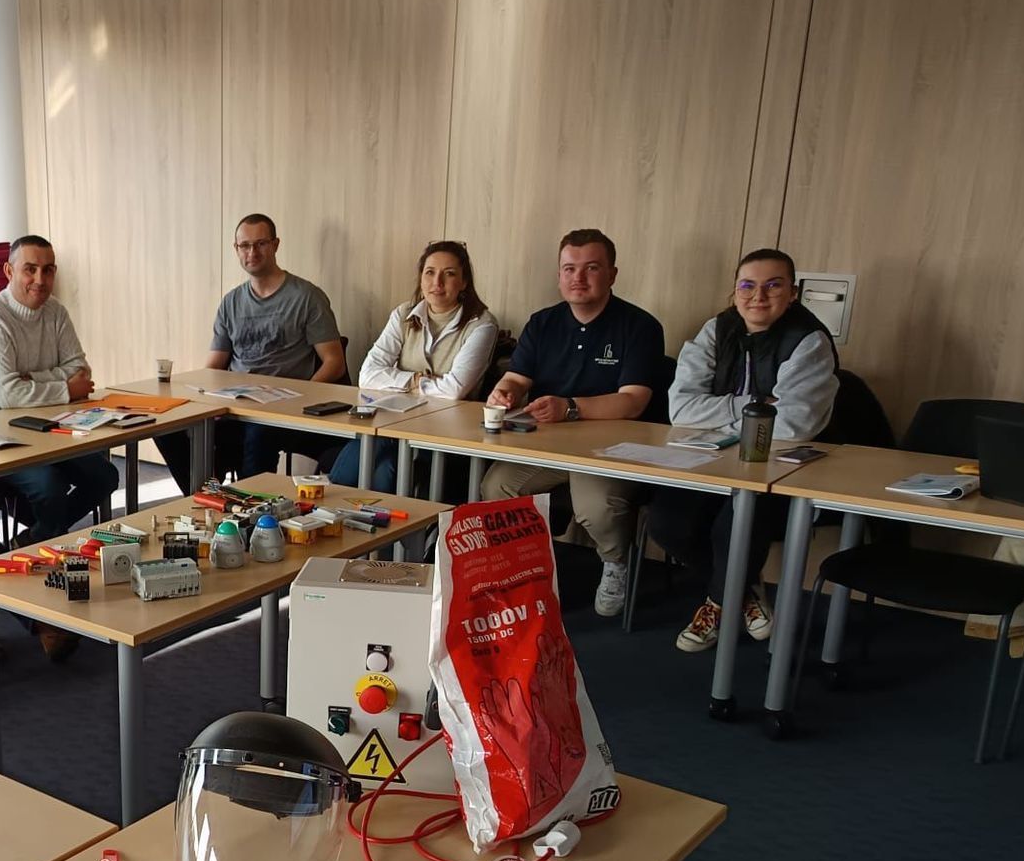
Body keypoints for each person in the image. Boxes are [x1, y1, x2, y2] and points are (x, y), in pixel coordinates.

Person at [649, 248, 839, 652]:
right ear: (734, 292)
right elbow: (679, 408)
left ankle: (719, 603)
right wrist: (756, 404)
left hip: (780, 466)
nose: (759, 296)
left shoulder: (809, 341)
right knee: (667, 522)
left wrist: (719, 414)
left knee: (734, 524)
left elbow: (794, 424)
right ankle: (745, 592)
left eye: (773, 285)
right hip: (710, 457)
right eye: (747, 285)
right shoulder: (716, 330)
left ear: (793, 293)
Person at [482, 229, 664, 616]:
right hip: (547, 442)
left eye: (591, 268)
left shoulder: (640, 326)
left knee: (595, 507)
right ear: (559, 275)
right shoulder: (544, 322)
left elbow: (634, 402)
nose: (578, 278)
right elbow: (518, 377)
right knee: (496, 486)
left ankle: (616, 564)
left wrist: (571, 408)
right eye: (569, 269)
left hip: (610, 446)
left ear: (612, 274)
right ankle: (522, 568)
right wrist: (505, 391)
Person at [152, 214, 345, 489]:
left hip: (280, 410)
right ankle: (206, 496)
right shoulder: (231, 302)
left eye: (260, 244)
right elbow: (214, 367)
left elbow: (334, 362)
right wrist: (196, 396)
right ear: (236, 249)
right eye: (245, 246)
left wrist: (300, 399)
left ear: (275, 245)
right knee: (167, 428)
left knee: (257, 433)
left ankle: (248, 510)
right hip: (235, 405)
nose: (252, 253)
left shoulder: (306, 297)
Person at [0, 235, 119, 542]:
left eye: (48, 270)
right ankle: (47, 535)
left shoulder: (56, 312)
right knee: (50, 488)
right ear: (9, 271)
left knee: (105, 476)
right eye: (30, 269)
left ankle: (35, 538)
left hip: (49, 425)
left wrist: (27, 378)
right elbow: (5, 395)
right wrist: (63, 387)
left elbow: (81, 373)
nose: (40, 279)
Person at [331, 239, 498, 492]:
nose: (437, 283)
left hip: (445, 431)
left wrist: (399, 380)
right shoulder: (403, 314)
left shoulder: (481, 325)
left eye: (449, 274)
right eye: (430, 273)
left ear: (464, 283)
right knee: (361, 456)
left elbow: (455, 390)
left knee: (386, 470)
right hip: (394, 421)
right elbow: (367, 374)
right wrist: (416, 380)